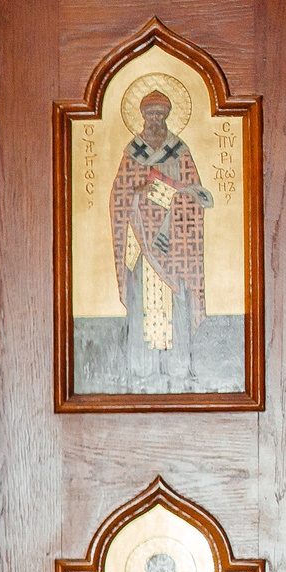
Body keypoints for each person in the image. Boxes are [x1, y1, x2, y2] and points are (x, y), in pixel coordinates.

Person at [109, 88, 214, 391]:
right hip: (142, 244)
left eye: (159, 114)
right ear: (141, 117)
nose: (154, 120)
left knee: (176, 301)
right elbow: (118, 195)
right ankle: (142, 370)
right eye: (149, 114)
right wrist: (135, 194)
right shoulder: (132, 152)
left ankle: (178, 368)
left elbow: (196, 192)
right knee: (142, 300)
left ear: (167, 116)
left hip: (174, 243)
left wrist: (178, 196)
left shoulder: (180, 151)